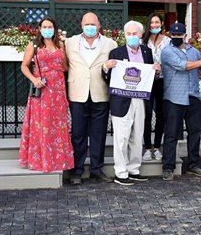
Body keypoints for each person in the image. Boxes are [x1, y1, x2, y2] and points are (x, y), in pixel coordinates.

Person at [102, 20, 161, 186]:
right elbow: (107, 78)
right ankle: (120, 173)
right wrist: (106, 67)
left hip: (141, 100)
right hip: (122, 100)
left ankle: (134, 169)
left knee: (137, 136)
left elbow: (150, 78)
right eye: (128, 34)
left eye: (134, 34)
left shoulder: (147, 52)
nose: (131, 37)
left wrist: (156, 71)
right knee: (121, 137)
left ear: (141, 35)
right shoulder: (116, 52)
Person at [65, 12, 118, 185]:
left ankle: (96, 169)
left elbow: (115, 70)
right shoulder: (69, 42)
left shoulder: (111, 43)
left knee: (99, 133)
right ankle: (77, 170)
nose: (90, 27)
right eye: (87, 24)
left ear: (99, 25)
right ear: (81, 25)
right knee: (78, 134)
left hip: (100, 93)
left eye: (93, 24)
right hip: (77, 93)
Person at [160, 22, 201, 181]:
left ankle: (193, 165)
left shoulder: (194, 51)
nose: (176, 37)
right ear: (170, 35)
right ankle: (168, 167)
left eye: (180, 35)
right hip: (174, 98)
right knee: (171, 134)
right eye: (174, 35)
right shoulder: (167, 51)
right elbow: (181, 66)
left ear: (185, 35)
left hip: (193, 97)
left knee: (195, 133)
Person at [18, 16, 74, 172]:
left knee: (58, 124)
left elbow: (65, 68)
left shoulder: (60, 44)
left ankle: (58, 160)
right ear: (40, 29)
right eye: (45, 27)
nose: (47, 29)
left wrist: (65, 55)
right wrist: (34, 79)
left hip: (58, 89)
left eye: (50, 27)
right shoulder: (34, 45)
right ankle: (41, 160)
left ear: (55, 30)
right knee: (41, 124)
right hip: (41, 88)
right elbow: (24, 66)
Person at [141, 13, 171, 162]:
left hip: (162, 82)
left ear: (162, 23)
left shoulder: (168, 41)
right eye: (152, 23)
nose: (154, 25)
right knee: (146, 115)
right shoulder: (143, 42)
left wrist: (162, 68)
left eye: (157, 22)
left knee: (160, 115)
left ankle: (157, 148)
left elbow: (172, 60)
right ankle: (147, 148)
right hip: (146, 83)